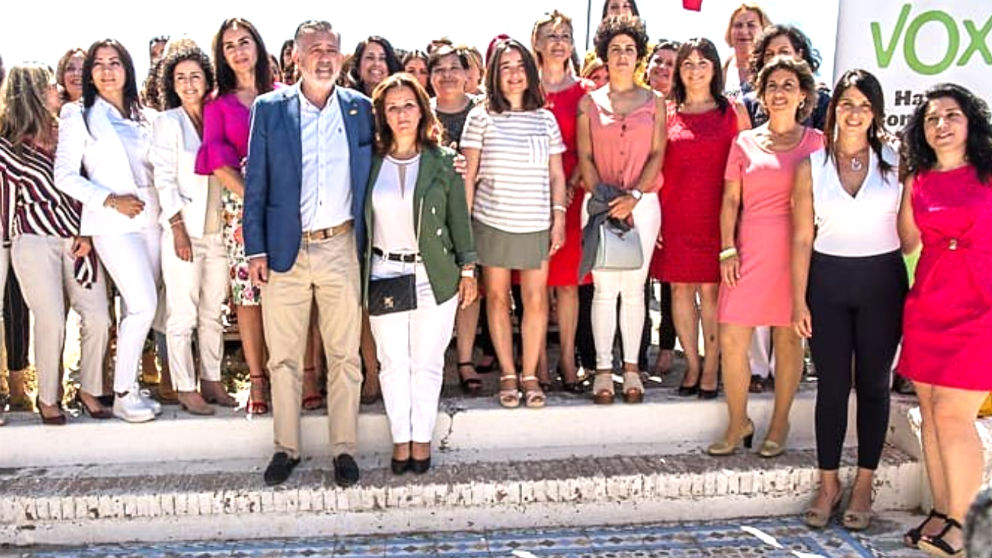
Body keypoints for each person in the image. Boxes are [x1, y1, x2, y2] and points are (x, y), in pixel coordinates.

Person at [244, 20, 370, 488]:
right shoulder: (271, 108)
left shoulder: (359, 109)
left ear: (341, 57)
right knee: (284, 358)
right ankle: (286, 447)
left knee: (345, 355)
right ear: (295, 57)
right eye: (314, 49)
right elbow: (255, 183)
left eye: (332, 49)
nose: (324, 56)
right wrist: (254, 248)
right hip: (284, 251)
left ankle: (344, 449)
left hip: (341, 245)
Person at [791, 69, 905, 530]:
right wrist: (799, 300)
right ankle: (828, 482)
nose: (854, 113)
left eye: (863, 104)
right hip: (828, 282)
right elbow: (801, 239)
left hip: (882, 282)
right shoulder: (811, 166)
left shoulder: (897, 162)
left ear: (875, 112)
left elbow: (912, 235)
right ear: (833, 108)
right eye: (846, 103)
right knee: (832, 388)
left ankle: (863, 484)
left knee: (875, 387)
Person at [896, 83, 992, 558]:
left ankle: (966, 525)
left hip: (981, 306)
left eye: (952, 115)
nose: (942, 125)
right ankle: (942, 511)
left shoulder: (989, 175)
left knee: (955, 417)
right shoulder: (919, 181)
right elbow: (908, 243)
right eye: (933, 119)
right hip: (929, 303)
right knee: (931, 416)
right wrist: (903, 184)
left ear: (970, 122)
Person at [365, 73, 477, 475]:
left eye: (408, 105)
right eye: (392, 107)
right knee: (393, 362)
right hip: (384, 271)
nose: (401, 113)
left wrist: (468, 268)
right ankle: (401, 438)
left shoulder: (444, 161)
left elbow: (458, 219)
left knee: (427, 362)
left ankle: (422, 438)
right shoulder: (368, 161)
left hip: (433, 271)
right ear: (382, 114)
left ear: (422, 109)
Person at [710, 56, 822, 457]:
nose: (779, 92)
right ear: (761, 93)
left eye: (789, 85)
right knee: (732, 337)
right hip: (748, 250)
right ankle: (737, 421)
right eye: (772, 85)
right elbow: (729, 200)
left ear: (804, 95)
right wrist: (727, 248)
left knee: (789, 339)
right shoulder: (743, 142)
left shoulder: (817, 143)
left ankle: (779, 422)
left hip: (797, 253)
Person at [54, 39, 163, 423]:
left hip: (153, 223)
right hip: (113, 225)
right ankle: (120, 393)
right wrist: (110, 200)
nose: (106, 70)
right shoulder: (77, 114)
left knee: (139, 309)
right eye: (98, 64)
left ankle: (131, 384)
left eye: (115, 62)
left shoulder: (146, 116)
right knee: (142, 304)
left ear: (127, 70)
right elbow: (64, 175)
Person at [0, 63, 112, 425]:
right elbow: (5, 203)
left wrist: (88, 232)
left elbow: (87, 184)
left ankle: (90, 388)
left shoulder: (68, 131)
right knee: (50, 319)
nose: (57, 90)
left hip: (77, 238)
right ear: (32, 91)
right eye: (49, 85)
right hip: (32, 240)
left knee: (97, 316)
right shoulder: (6, 144)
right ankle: (48, 397)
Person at [461, 38, 567, 409]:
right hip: (491, 222)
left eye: (520, 65)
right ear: (494, 73)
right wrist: (465, 233)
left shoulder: (546, 118)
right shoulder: (480, 117)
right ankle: (508, 373)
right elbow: (468, 177)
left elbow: (557, 176)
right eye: (505, 67)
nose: (514, 74)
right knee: (498, 300)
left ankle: (530, 375)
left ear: (530, 71)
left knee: (537, 301)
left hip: (536, 222)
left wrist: (559, 218)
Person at [651, 38, 749, 399]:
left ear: (714, 68)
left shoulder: (734, 111)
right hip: (676, 212)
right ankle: (691, 363)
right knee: (679, 290)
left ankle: (711, 366)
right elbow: (657, 162)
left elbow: (748, 169)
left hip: (719, 214)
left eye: (702, 62)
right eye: (687, 63)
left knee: (711, 292)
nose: (694, 69)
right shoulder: (666, 109)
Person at [577, 16, 665, 405]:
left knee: (634, 291)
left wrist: (634, 195)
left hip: (643, 205)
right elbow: (585, 156)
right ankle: (602, 370)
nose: (623, 56)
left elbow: (659, 153)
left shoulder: (655, 102)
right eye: (615, 49)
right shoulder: (589, 103)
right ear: (604, 55)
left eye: (630, 49)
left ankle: (631, 368)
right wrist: (608, 199)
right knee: (603, 290)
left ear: (639, 56)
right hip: (598, 204)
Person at [196, 17, 278, 415]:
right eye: (229, 46)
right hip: (242, 208)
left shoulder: (285, 95)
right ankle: (258, 381)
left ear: (258, 47)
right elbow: (216, 161)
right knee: (249, 296)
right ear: (222, 56)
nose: (239, 51)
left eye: (245, 42)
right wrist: (257, 197)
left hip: (287, 206)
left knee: (289, 290)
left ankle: (296, 375)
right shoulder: (217, 105)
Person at [152, 44, 237, 415]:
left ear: (207, 79)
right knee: (182, 313)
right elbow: (164, 179)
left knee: (212, 310)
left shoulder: (217, 114)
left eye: (195, 76)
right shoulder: (167, 122)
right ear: (172, 83)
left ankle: (213, 379)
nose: (188, 84)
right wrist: (177, 230)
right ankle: (185, 386)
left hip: (219, 231)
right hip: (183, 230)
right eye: (180, 78)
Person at [531, 10, 591, 392]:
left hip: (572, 195)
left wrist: (569, 186)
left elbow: (591, 148)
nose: (558, 41)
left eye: (565, 35)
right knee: (534, 286)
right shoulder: (523, 88)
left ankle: (568, 360)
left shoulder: (584, 92)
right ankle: (536, 363)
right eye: (550, 35)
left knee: (568, 283)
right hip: (528, 198)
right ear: (535, 43)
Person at [742, 25, 830, 130]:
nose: (777, 58)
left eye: (784, 52)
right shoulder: (749, 104)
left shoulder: (821, 102)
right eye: (769, 54)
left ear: (800, 55)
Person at [722, 3, 772, 95]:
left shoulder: (773, 68)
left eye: (751, 25)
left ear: (764, 30)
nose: (744, 31)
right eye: (738, 25)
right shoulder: (721, 72)